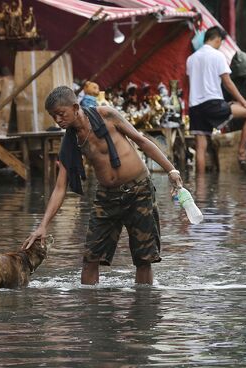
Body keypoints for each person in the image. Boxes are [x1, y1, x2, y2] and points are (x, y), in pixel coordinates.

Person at [22, 86, 183, 285]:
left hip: (139, 191)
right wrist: (43, 225)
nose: (58, 120)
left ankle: (145, 309)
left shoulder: (107, 115)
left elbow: (141, 141)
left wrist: (171, 170)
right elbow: (60, 187)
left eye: (61, 114)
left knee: (144, 259)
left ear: (75, 107)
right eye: (54, 116)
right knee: (90, 257)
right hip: (107, 197)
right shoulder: (70, 141)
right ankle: (90, 311)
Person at [186, 26, 246, 174]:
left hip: (195, 106)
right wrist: (244, 103)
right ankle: (242, 152)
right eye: (221, 42)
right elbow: (228, 82)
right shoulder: (217, 56)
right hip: (213, 103)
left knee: (201, 146)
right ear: (218, 39)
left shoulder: (191, 59)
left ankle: (200, 189)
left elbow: (190, 83)